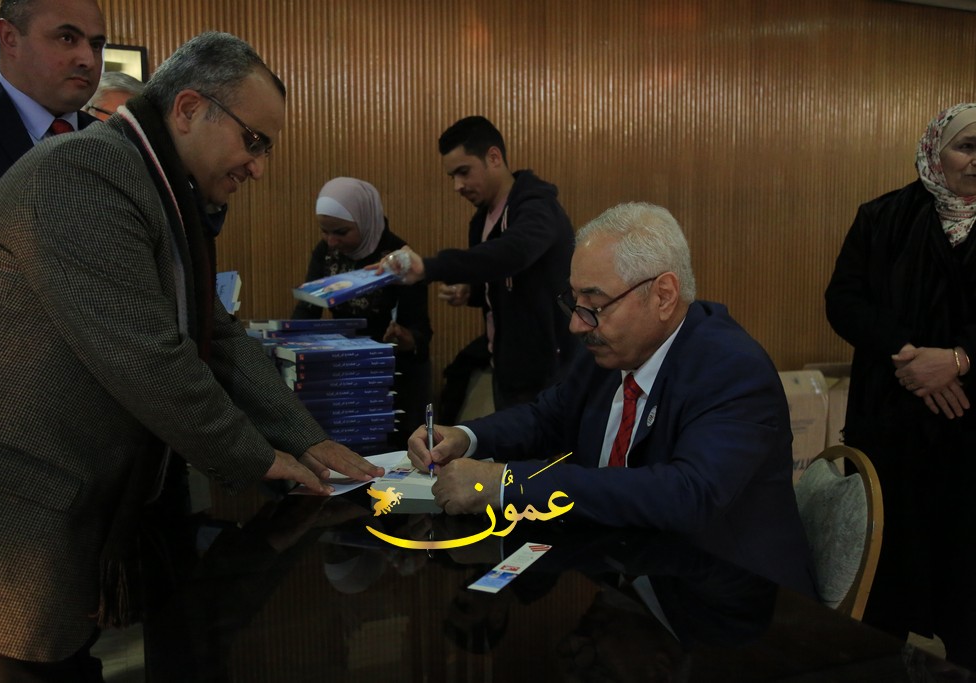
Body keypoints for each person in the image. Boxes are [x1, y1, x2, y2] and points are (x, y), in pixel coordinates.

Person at [0, 31, 382, 681]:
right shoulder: (86, 172)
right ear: (187, 108)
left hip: (57, 511)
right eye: (253, 141)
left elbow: (217, 333)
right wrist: (259, 457)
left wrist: (307, 438)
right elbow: (147, 355)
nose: (258, 168)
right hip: (9, 529)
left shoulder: (154, 186)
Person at [406, 202, 816, 598]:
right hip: (625, 574)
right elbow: (548, 417)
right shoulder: (612, 350)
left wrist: (504, 482)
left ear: (663, 295)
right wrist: (464, 436)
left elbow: (686, 494)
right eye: (574, 302)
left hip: (726, 603)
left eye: (595, 304)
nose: (576, 324)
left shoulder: (731, 369)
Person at [825, 102, 976, 668]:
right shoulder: (882, 216)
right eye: (967, 147)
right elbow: (844, 300)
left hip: (970, 433)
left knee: (967, 587)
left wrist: (959, 359)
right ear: (936, 150)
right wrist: (912, 359)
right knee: (884, 581)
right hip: (891, 425)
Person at [377, 116, 576, 413]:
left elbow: (513, 254)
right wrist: (473, 293)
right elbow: (506, 279)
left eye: (464, 172)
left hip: (548, 373)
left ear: (494, 157)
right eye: (452, 177)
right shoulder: (482, 220)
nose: (458, 186)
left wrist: (429, 267)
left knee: (540, 446)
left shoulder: (537, 206)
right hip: (508, 368)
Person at [0, 0, 107, 249]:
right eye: (67, 38)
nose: (88, 60)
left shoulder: (111, 143)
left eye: (96, 45)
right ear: (9, 37)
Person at [293, 177, 433, 449]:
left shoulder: (399, 260)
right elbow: (307, 309)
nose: (331, 241)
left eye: (341, 232)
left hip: (391, 380)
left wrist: (405, 338)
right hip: (343, 374)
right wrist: (290, 341)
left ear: (365, 220)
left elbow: (421, 335)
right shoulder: (326, 253)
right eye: (325, 232)